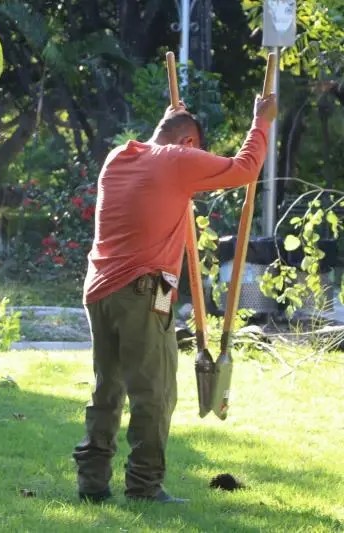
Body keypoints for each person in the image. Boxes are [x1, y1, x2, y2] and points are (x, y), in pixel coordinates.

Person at [74, 94, 278, 503]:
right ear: (188, 145)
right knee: (156, 390)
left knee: (107, 388)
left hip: (100, 288)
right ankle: (145, 486)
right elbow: (244, 169)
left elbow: (162, 151)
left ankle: (92, 484)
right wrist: (261, 122)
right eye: (197, 152)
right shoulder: (177, 160)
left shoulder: (118, 157)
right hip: (146, 288)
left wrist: (171, 121)